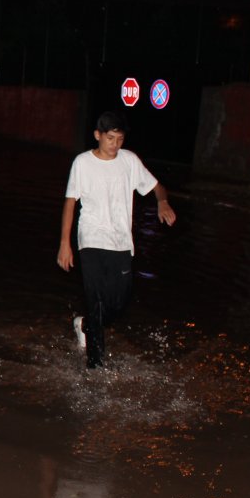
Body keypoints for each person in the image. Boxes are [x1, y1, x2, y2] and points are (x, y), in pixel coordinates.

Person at [57, 111, 176, 368]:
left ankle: (86, 325)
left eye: (120, 139)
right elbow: (70, 202)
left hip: (121, 243)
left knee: (119, 303)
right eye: (110, 138)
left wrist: (162, 202)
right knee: (96, 301)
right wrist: (65, 243)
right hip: (90, 240)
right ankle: (95, 369)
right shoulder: (82, 163)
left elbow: (156, 186)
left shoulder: (129, 161)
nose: (115, 145)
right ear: (98, 135)